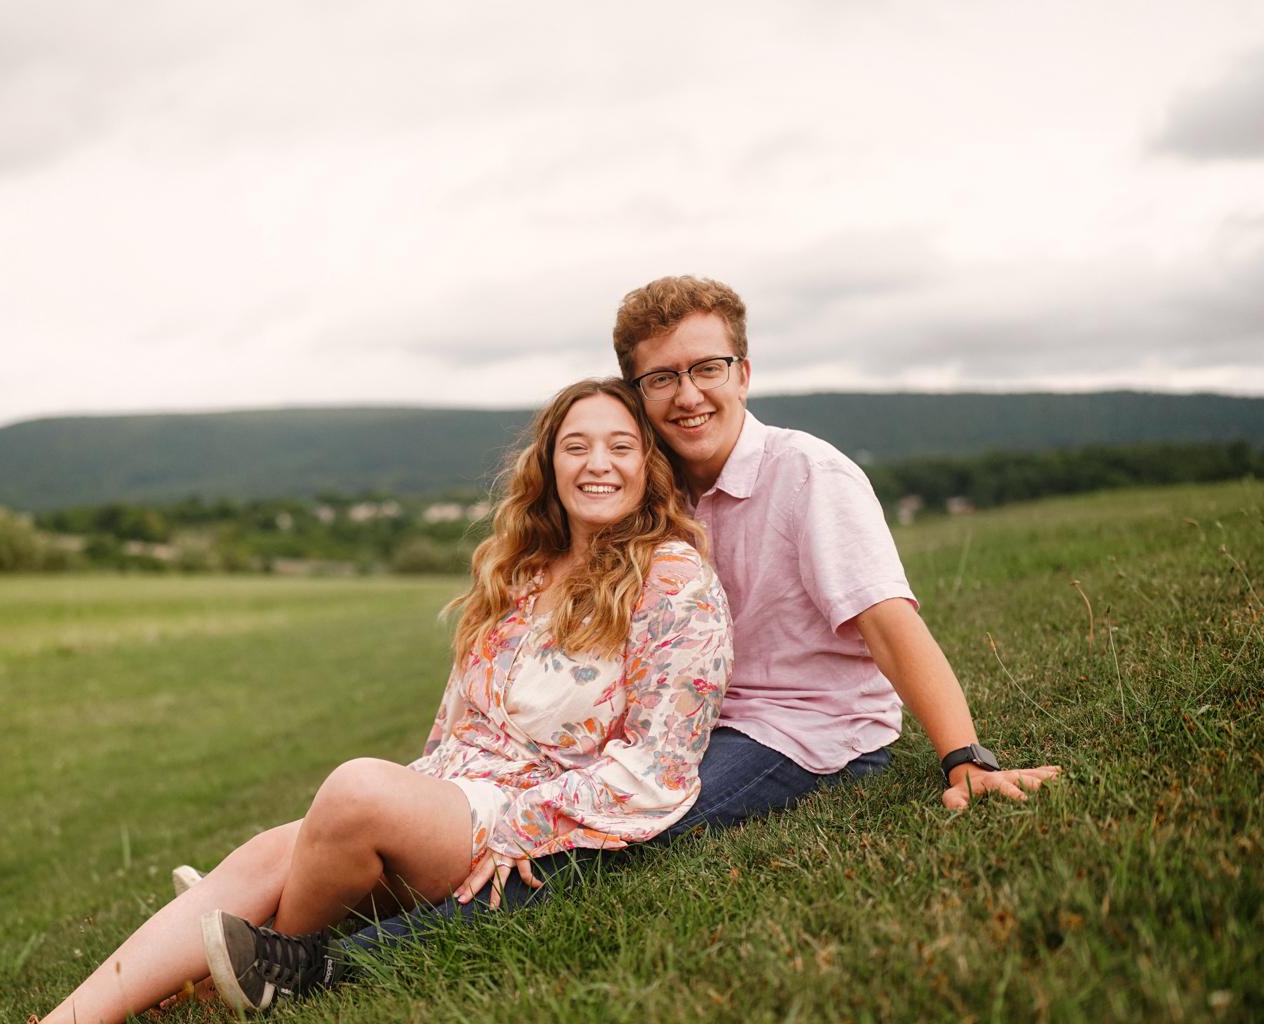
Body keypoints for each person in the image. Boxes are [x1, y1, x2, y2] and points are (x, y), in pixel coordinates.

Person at [0, 378, 731, 1024]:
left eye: (621, 446)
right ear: (550, 463)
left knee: (352, 792)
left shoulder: (673, 580)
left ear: (650, 465)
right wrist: (415, 805)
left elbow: (660, 764)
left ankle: (247, 971)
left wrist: (523, 824)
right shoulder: (523, 569)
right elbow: (456, 731)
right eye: (577, 445)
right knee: (270, 851)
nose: (598, 463)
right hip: (449, 799)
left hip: (527, 821)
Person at [292, 275, 1064, 961]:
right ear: (638, 391)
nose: (688, 394)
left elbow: (892, 626)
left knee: (616, 844)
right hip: (685, 725)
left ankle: (346, 962)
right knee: (588, 801)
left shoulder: (809, 475)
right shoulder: (656, 490)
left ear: (744, 373)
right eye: (662, 378)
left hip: (797, 731)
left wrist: (966, 755)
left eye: (707, 368)